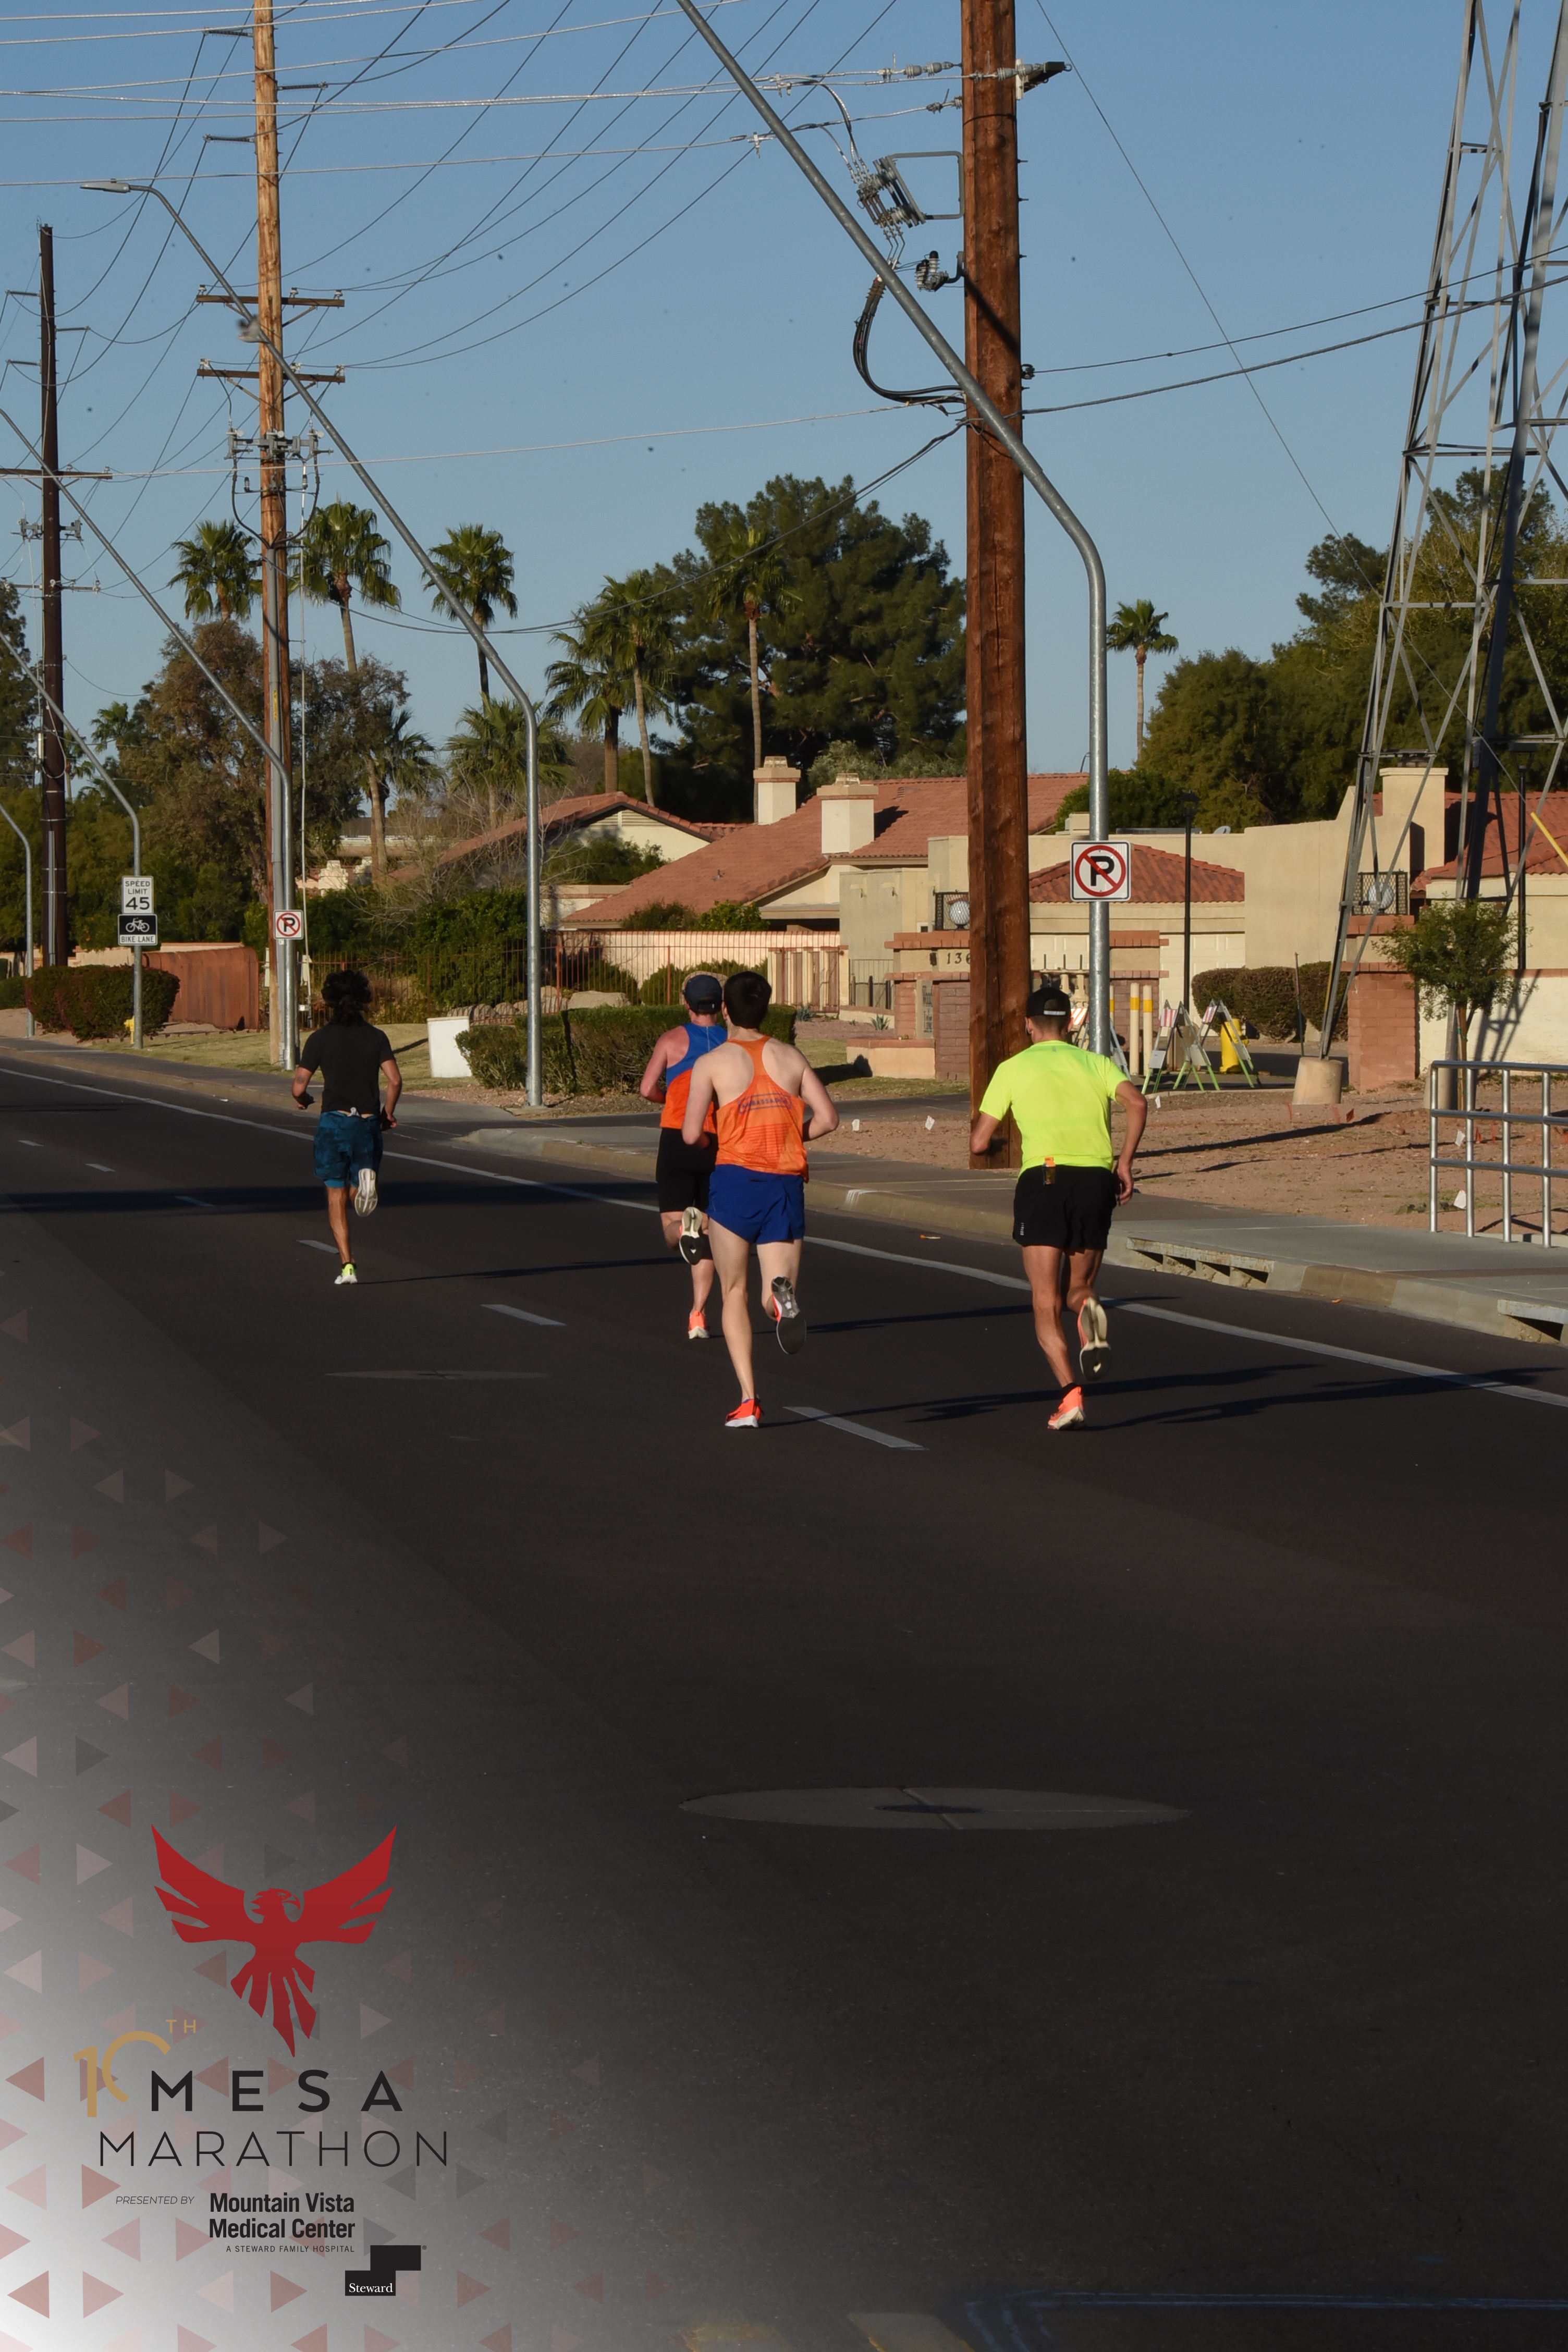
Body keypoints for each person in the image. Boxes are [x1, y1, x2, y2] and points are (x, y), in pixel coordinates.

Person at [969, 983, 1146, 1432]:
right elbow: (1137, 1103)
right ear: (1069, 1024)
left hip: (1044, 1180)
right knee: (1078, 1289)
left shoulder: (1012, 1068)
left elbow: (978, 1142)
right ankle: (1088, 1313)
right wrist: (1124, 1163)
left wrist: (1001, 1144)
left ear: (1028, 1025)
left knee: (1045, 1301)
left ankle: (1070, 1397)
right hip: (1095, 1180)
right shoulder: (1096, 1063)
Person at [682, 970, 838, 1429]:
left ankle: (749, 1399)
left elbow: (690, 1134)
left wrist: (715, 1141)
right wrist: (791, 1135)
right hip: (784, 1184)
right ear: (766, 1010)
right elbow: (828, 1118)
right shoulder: (791, 1057)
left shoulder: (712, 1063)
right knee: (772, 1294)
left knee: (733, 1291)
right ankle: (780, 1299)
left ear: (725, 1010)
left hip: (734, 1182)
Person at [291, 967, 401, 1286]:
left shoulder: (319, 1039)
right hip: (367, 1123)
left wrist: (304, 1100)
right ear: (364, 999)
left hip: (334, 1123)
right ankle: (362, 1185)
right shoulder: (376, 1037)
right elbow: (395, 1080)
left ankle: (347, 1265)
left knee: (334, 1192)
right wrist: (387, 1113)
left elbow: (299, 1086)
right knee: (356, 1187)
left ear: (329, 1001)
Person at [639, 972, 728, 1340]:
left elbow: (647, 1088)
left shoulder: (671, 1039)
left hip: (677, 1137)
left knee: (671, 1228)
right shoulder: (732, 1042)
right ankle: (698, 1314)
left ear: (687, 1004)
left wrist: (671, 1101)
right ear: (721, 1006)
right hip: (716, 1140)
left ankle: (682, 1229)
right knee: (709, 1232)